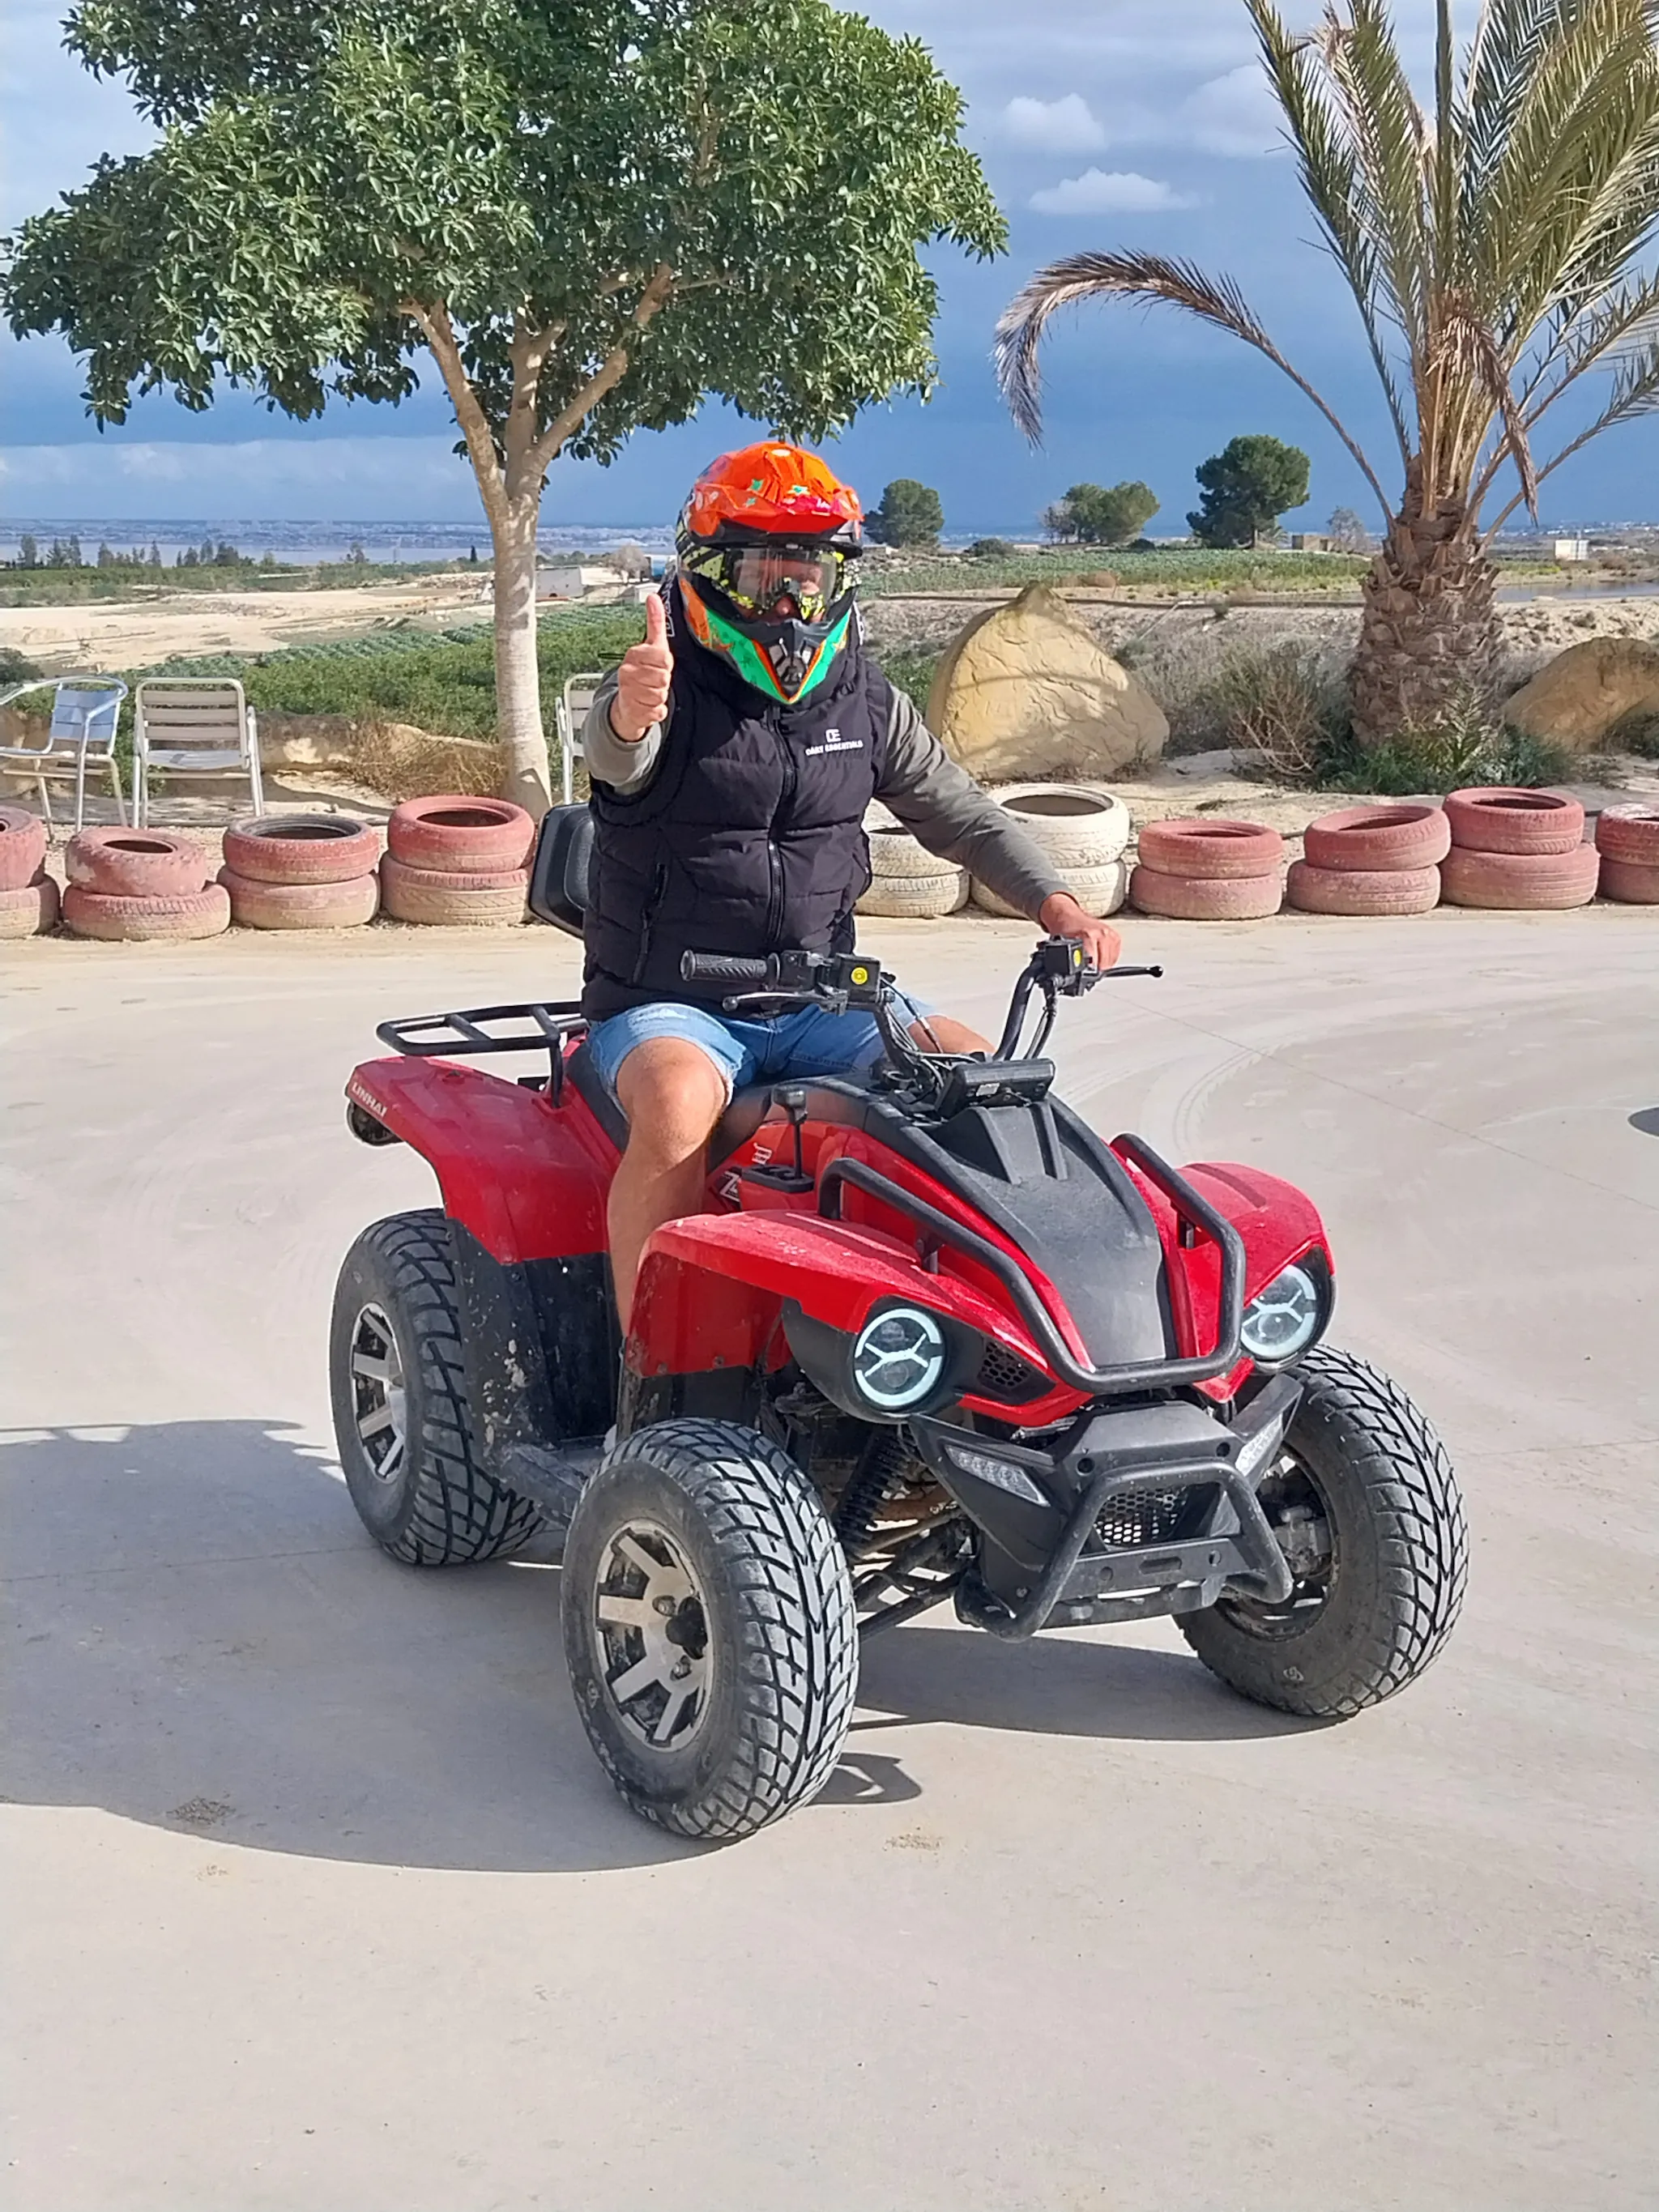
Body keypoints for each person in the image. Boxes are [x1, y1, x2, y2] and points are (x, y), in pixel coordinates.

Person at [581, 440, 1121, 1325]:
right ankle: (649, 1361)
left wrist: (1055, 901)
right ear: (710, 575)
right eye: (763, 577)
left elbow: (963, 815)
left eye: (807, 575)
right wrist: (628, 715)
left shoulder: (864, 700)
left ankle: (1002, 1337)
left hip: (823, 1001)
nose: (788, 600)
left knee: (986, 1077)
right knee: (678, 1108)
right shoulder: (659, 680)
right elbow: (616, 759)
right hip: (669, 999)